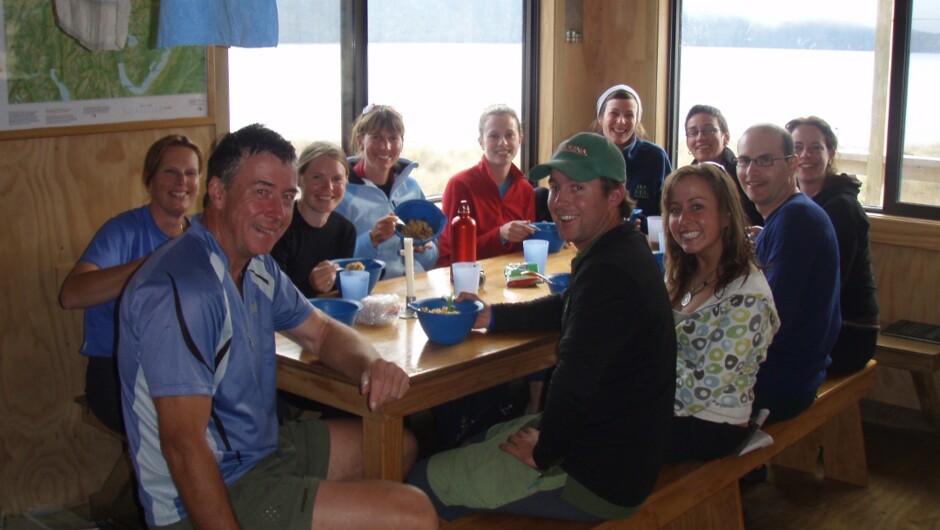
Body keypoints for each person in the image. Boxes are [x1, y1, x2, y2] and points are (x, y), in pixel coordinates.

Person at [116, 124, 437, 529]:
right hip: (207, 489)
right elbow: (182, 448)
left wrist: (370, 365)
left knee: (397, 445)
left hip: (260, 449)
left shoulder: (257, 266)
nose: (278, 213)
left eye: (287, 197)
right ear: (217, 192)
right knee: (414, 514)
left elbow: (321, 331)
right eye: (261, 192)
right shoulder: (186, 287)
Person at [407, 132, 676, 522]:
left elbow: (575, 376)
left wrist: (545, 451)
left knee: (419, 483)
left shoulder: (608, 272)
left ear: (615, 196)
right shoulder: (622, 249)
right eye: (555, 188)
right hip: (620, 445)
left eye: (578, 188)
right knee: (480, 439)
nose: (560, 201)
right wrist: (491, 316)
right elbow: (566, 307)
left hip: (599, 479)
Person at [58, 135, 203, 434]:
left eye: (190, 173)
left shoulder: (201, 234)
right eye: (170, 171)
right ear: (149, 180)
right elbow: (71, 295)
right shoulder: (123, 231)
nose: (181, 181)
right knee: (183, 431)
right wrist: (152, 262)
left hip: (183, 368)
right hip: (118, 373)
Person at [660, 163, 780, 462]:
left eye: (697, 207)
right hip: (668, 407)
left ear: (727, 214)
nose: (683, 220)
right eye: (675, 210)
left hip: (712, 425)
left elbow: (700, 389)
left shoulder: (748, 296)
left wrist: (630, 388)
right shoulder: (682, 273)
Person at [736, 123, 841, 423]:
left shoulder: (796, 220)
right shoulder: (789, 215)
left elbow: (770, 322)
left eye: (765, 160)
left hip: (780, 383)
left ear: (792, 164)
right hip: (795, 370)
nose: (751, 172)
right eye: (744, 161)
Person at [786, 116, 879, 375]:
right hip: (820, 326)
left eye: (816, 147)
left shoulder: (841, 207)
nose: (806, 155)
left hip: (850, 333)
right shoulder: (794, 201)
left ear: (831, 154)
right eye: (797, 147)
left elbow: (828, 285)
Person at [336, 104, 439, 278]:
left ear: (401, 143)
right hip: (369, 293)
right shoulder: (342, 193)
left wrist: (423, 250)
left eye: (393, 138)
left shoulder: (412, 187)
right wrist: (371, 240)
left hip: (416, 287)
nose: (386, 146)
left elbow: (432, 259)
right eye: (376, 137)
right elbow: (333, 263)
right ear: (361, 141)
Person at [436, 104, 535, 267]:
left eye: (510, 135)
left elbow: (527, 246)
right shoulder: (459, 185)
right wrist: (500, 235)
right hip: (465, 278)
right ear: (481, 142)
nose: (503, 143)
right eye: (494, 136)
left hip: (512, 279)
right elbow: (451, 251)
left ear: (520, 140)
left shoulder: (525, 189)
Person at [272, 141, 356, 298]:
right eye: (318, 177)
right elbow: (274, 297)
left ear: (346, 183)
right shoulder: (279, 227)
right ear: (299, 179)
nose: (328, 187)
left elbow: (343, 294)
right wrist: (310, 285)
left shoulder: (345, 231)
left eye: (337, 179)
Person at [593, 84, 673, 231]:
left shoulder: (655, 157)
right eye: (614, 113)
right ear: (600, 118)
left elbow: (670, 210)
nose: (621, 121)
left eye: (629, 115)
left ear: (637, 120)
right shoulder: (585, 153)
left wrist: (642, 225)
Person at [684, 104, 763, 226]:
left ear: (725, 137)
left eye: (709, 130)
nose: (700, 137)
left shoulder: (745, 174)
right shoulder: (684, 180)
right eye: (693, 132)